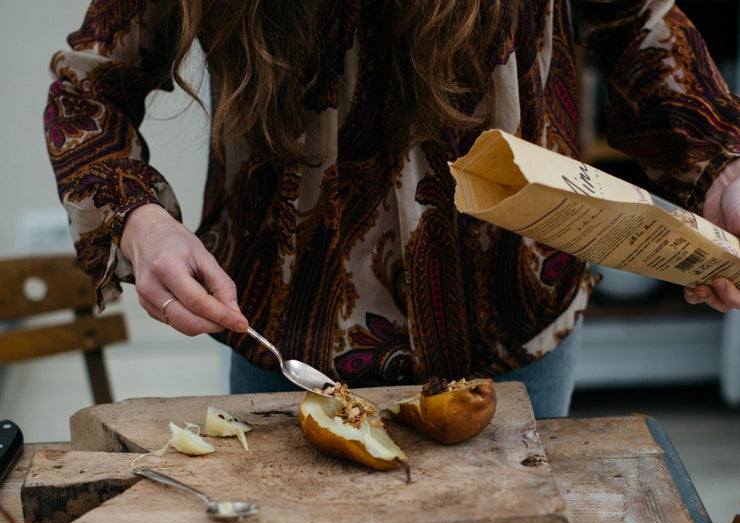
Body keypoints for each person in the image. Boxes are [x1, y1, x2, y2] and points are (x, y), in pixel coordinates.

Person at [44, 0, 740, 418]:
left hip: (511, 317)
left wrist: (718, 165)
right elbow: (88, 90)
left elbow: (640, 23)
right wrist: (140, 220)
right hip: (283, 340)